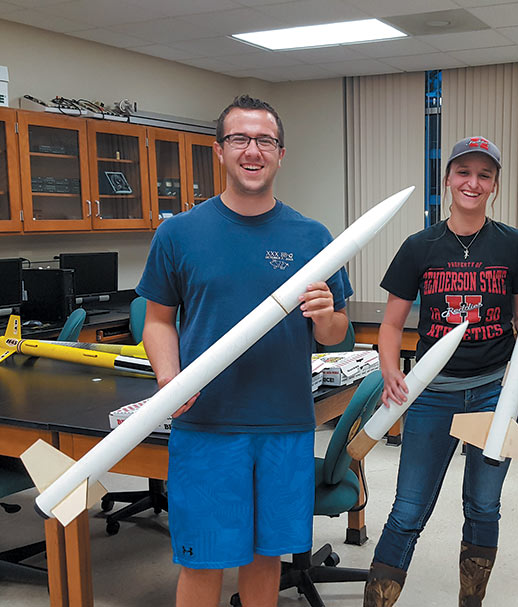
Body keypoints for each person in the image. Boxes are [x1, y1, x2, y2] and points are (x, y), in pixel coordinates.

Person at [136, 95, 352, 607]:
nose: (252, 151)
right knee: (203, 561)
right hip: (207, 426)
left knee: (265, 560)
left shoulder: (312, 236)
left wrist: (326, 315)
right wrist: (169, 378)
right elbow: (157, 319)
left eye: (264, 141)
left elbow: (335, 333)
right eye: (239, 139)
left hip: (285, 425)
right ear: (219, 150)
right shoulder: (179, 234)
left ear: (281, 153)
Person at [363, 136, 518, 607]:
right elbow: (390, 326)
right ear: (447, 179)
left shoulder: (516, 245)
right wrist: (391, 372)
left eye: (484, 174)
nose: (473, 182)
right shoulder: (419, 247)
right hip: (432, 395)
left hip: (496, 394)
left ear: (494, 185)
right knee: (407, 510)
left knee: (484, 504)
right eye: (463, 172)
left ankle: (472, 601)